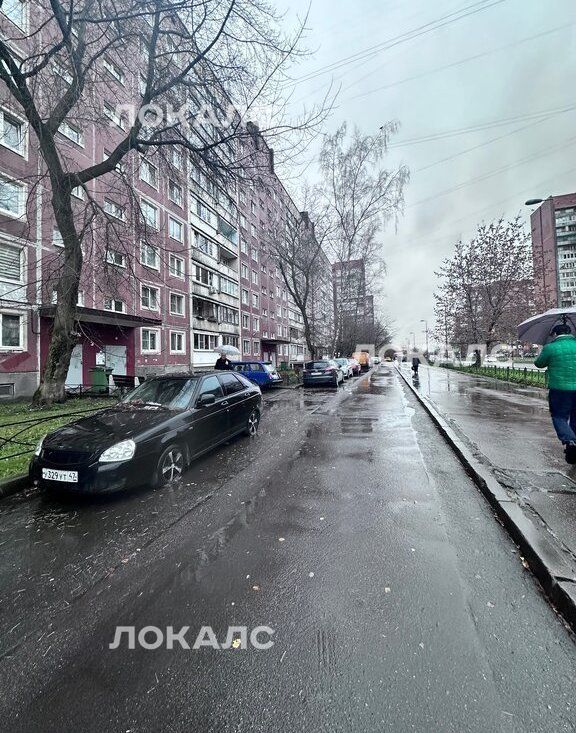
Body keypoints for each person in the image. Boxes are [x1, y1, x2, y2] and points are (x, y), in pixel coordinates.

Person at [534, 323, 576, 463]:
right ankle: (573, 447)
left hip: (560, 389)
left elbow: (539, 364)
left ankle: (570, 441)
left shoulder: (550, 347)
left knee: (559, 416)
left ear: (555, 334)